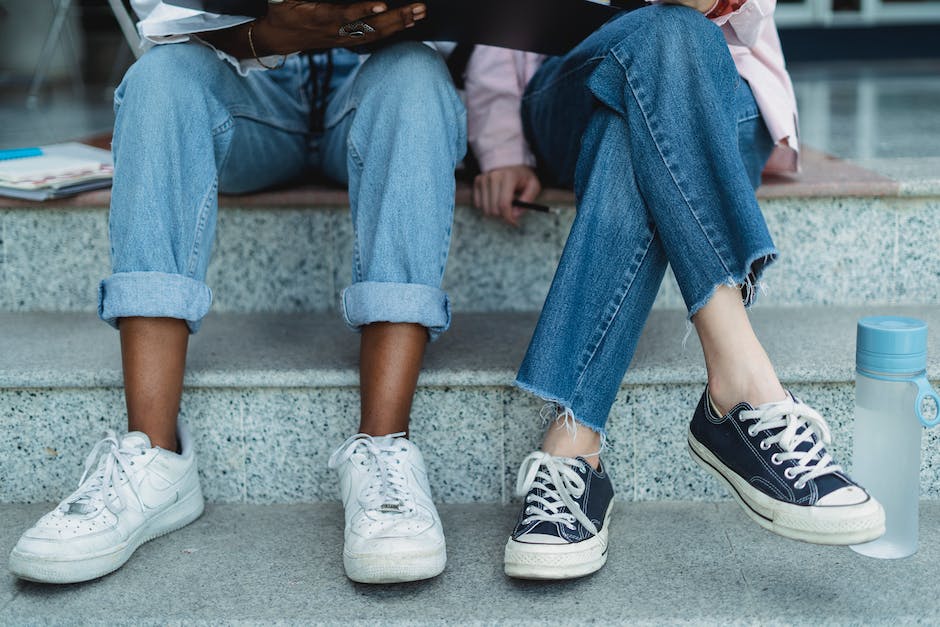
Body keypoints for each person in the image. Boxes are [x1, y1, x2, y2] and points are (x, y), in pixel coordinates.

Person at [9, 1, 466, 585]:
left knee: (415, 75)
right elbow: (164, 17)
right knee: (161, 79)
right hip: (252, 88)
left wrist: (358, 27)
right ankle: (154, 458)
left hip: (374, 88)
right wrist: (272, 33)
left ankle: (385, 456)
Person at [466, 0, 886, 580]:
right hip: (568, 87)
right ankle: (741, 388)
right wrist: (502, 148)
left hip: (719, 93)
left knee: (671, 44)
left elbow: (750, 17)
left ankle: (572, 448)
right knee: (657, 43)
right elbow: (497, 30)